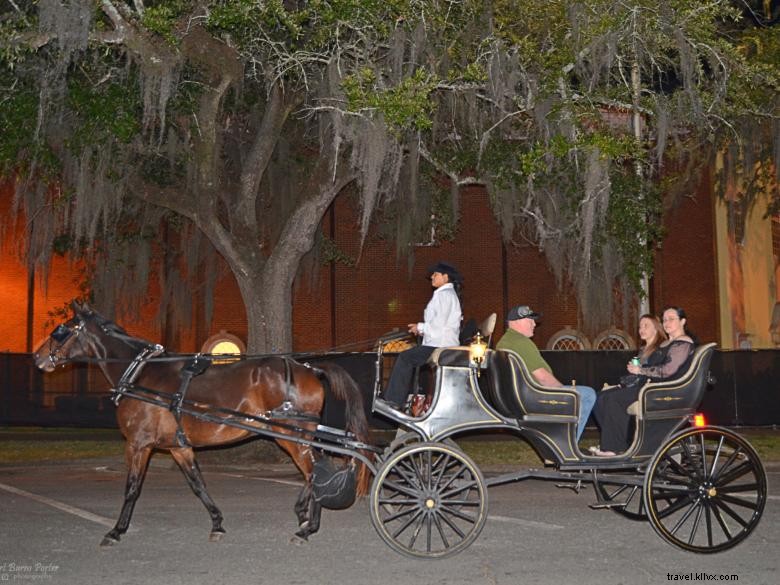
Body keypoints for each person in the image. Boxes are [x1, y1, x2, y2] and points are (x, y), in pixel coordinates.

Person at [591, 307, 695, 456]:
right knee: (601, 397)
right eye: (664, 319)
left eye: (671, 319)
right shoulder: (666, 344)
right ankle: (617, 443)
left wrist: (640, 370)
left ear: (683, 321)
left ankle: (613, 449)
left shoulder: (683, 343)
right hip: (652, 387)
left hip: (663, 390)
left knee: (613, 399)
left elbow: (667, 371)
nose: (667, 322)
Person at [495, 305, 596, 441]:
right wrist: (565, 393)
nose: (534, 324)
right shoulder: (521, 342)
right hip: (534, 397)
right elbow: (542, 378)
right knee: (586, 394)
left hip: (520, 396)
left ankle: (561, 441)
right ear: (515, 322)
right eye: (529, 320)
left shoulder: (504, 342)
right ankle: (570, 445)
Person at [382, 262, 463, 410]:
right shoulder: (445, 295)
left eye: (435, 274)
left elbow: (438, 326)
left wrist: (420, 327)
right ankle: (400, 399)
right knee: (409, 357)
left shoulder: (444, 296)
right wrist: (421, 329)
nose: (432, 277)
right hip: (439, 343)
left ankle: (394, 400)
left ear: (445, 277)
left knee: (405, 358)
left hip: (440, 346)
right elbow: (438, 325)